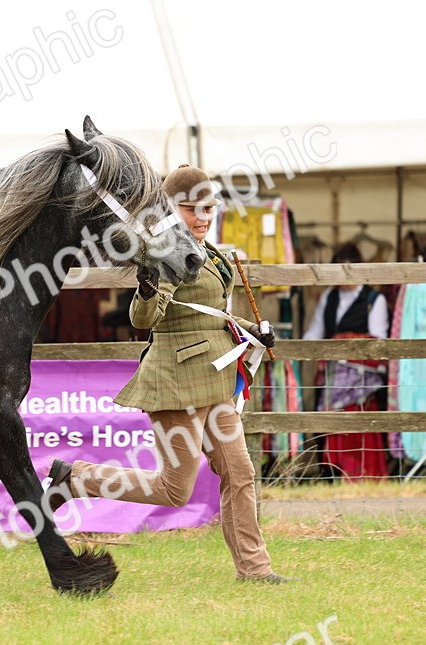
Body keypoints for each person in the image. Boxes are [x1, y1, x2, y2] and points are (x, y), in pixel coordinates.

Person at [46, 165, 292, 584]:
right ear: (171, 209)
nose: (203, 217)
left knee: (241, 473)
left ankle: (255, 570)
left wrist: (254, 331)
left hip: (215, 381)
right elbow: (144, 318)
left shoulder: (211, 254)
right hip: (175, 383)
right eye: (193, 209)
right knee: (174, 490)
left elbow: (213, 316)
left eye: (209, 208)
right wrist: (144, 290)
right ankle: (76, 478)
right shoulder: (164, 254)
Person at [302, 243, 390, 479]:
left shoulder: (374, 299)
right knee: (328, 423)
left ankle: (359, 473)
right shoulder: (329, 297)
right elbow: (314, 333)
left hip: (361, 379)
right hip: (331, 376)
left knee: (356, 425)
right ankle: (332, 472)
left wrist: (345, 342)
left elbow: (379, 341)